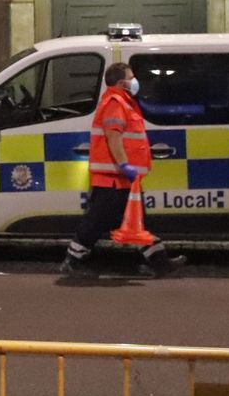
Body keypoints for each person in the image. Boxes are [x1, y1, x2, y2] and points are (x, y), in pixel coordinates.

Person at [61, 62, 186, 279]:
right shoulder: (115, 103)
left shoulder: (124, 103)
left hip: (121, 179)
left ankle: (160, 262)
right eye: (132, 77)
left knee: (137, 221)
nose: (135, 80)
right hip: (113, 178)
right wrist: (124, 165)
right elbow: (113, 136)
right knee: (97, 221)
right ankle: (73, 260)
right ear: (122, 83)